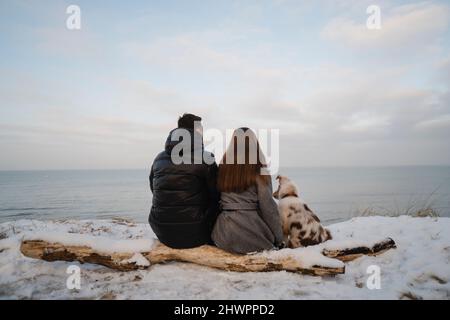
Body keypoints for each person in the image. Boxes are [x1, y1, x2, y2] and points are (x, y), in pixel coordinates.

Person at [149, 113, 219, 249]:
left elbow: (154, 189)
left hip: (162, 232)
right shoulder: (206, 158)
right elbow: (216, 195)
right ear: (196, 131)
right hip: (196, 234)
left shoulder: (159, 158)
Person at [211, 128, 284, 254]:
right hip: (251, 233)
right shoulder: (260, 168)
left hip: (223, 234)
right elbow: (268, 208)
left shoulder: (223, 166)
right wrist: (280, 238)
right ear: (254, 144)